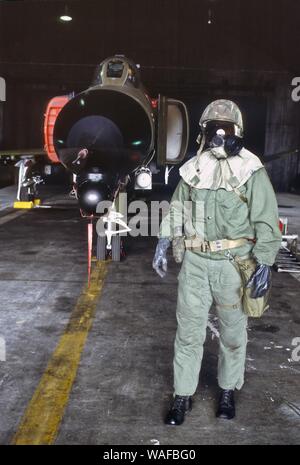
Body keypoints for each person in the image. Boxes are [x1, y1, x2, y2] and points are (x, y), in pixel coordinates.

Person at [152, 100, 282, 425]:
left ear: (237, 132)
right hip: (195, 262)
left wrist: (264, 263)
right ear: (204, 132)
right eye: (213, 127)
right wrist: (164, 240)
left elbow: (267, 220)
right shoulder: (194, 168)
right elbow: (179, 206)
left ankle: (227, 391)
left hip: (233, 264)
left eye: (226, 127)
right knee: (188, 333)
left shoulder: (250, 170)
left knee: (233, 333)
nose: (219, 133)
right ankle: (182, 395)